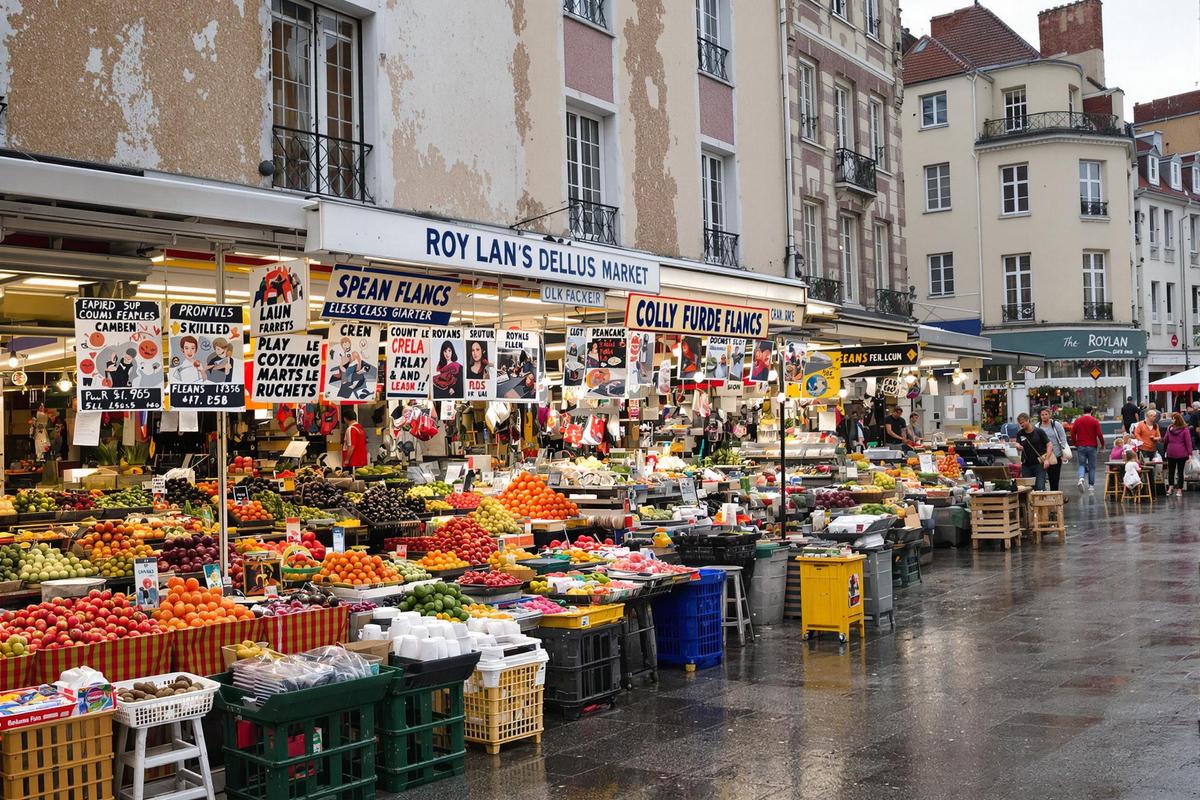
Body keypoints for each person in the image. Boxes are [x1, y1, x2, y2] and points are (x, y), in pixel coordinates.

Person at [1071, 406, 1104, 492]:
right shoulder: (1095, 421)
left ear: (1083, 411)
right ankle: (1091, 486)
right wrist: (1102, 445)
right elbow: (1099, 434)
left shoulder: (1078, 421)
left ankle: (1081, 478)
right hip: (1092, 446)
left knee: (1081, 464)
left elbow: (1073, 433)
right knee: (1092, 466)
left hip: (1081, 446)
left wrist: (1075, 443)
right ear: (1091, 411)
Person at [1036, 408, 1069, 492]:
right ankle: (1045, 496)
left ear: (1049, 415)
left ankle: (1054, 496)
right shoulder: (1037, 426)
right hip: (1043, 456)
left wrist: (1064, 452)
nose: (1044, 416)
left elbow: (1063, 438)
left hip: (1056, 455)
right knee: (1041, 478)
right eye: (1042, 415)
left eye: (1046, 414)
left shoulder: (1055, 424)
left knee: (1054, 478)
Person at [1016, 412, 1051, 490]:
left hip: (1039, 464)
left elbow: (1049, 445)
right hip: (1026, 464)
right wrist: (1017, 446)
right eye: (1020, 423)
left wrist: (1047, 460)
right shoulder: (1020, 433)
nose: (1021, 425)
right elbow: (1017, 443)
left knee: (1040, 487)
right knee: (1027, 488)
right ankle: (1030, 502)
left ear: (1028, 420)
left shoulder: (1039, 431)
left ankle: (1041, 501)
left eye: (1022, 422)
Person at [1163, 412, 1193, 496]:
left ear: (1177, 419)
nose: (1172, 420)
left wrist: (1164, 450)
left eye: (1173, 418)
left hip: (1171, 452)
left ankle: (1170, 488)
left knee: (1171, 471)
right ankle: (1179, 490)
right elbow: (1188, 443)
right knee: (1180, 472)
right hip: (1182, 453)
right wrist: (1189, 454)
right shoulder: (1185, 429)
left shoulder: (1169, 428)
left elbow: (1165, 440)